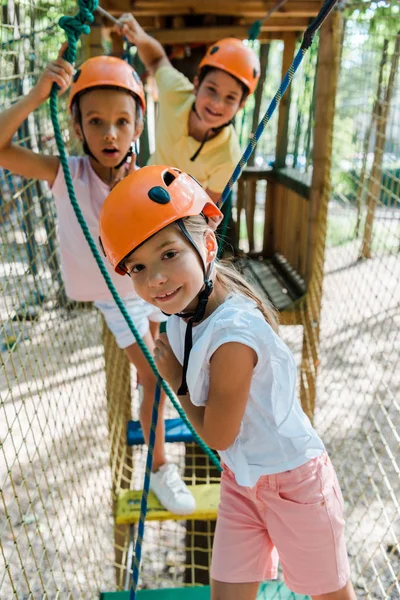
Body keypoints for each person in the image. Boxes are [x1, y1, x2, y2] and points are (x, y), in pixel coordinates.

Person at [99, 165, 357, 600]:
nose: (155, 279)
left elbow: (218, 433)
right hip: (242, 479)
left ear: (207, 244)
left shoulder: (234, 337)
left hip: (293, 483)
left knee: (331, 597)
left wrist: (177, 381)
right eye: (138, 267)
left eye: (168, 254)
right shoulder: (185, 309)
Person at [0, 46, 195, 516]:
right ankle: (160, 468)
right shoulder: (64, 173)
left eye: (122, 122)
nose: (110, 133)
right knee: (152, 376)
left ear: (138, 126)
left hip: (157, 287)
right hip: (118, 297)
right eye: (95, 122)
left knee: (184, 359)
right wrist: (34, 96)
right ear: (76, 126)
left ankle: (214, 439)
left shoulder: (148, 179)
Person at [114, 14, 260, 204]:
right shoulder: (176, 92)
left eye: (230, 98)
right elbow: (157, 60)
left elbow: (207, 208)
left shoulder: (229, 157)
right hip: (144, 190)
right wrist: (140, 37)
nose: (216, 103)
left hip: (182, 217)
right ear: (197, 84)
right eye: (211, 89)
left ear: (241, 105)